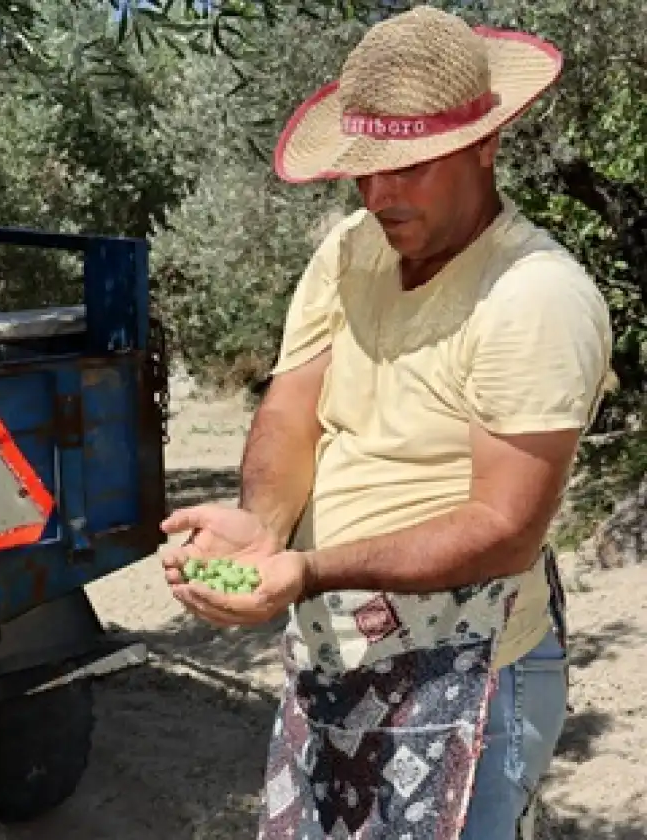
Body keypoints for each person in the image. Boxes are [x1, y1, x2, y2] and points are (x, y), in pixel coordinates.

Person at [162, 7, 613, 840]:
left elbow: (504, 528)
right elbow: (292, 407)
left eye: (409, 166)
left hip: (472, 682)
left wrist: (308, 570)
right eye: (366, 170)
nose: (380, 194)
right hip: (332, 664)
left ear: (486, 143)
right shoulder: (349, 249)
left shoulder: (535, 297)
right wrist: (261, 526)